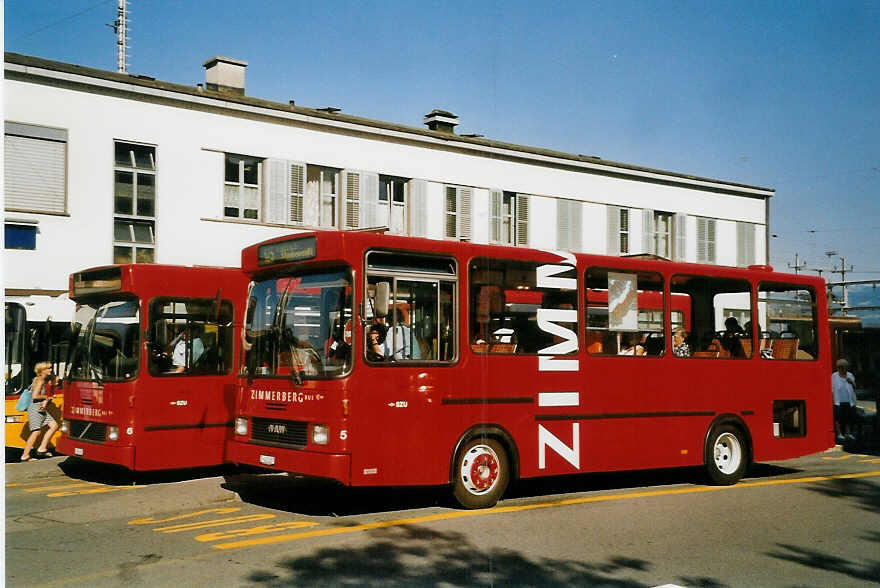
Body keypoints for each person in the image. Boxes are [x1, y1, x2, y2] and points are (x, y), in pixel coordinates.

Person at [21, 362, 60, 461]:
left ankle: (42, 448)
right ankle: (25, 455)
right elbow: (35, 396)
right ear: (43, 370)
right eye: (49, 368)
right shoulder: (40, 381)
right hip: (36, 408)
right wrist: (47, 397)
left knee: (54, 426)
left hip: (40, 408)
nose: (51, 370)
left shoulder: (40, 379)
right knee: (36, 432)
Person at [831, 358, 857, 442]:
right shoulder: (834, 376)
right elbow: (831, 388)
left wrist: (852, 382)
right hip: (838, 401)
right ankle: (839, 434)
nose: (841, 368)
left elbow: (855, 387)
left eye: (844, 367)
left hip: (849, 400)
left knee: (848, 418)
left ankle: (848, 433)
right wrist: (831, 400)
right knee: (838, 418)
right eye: (840, 367)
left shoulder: (850, 375)